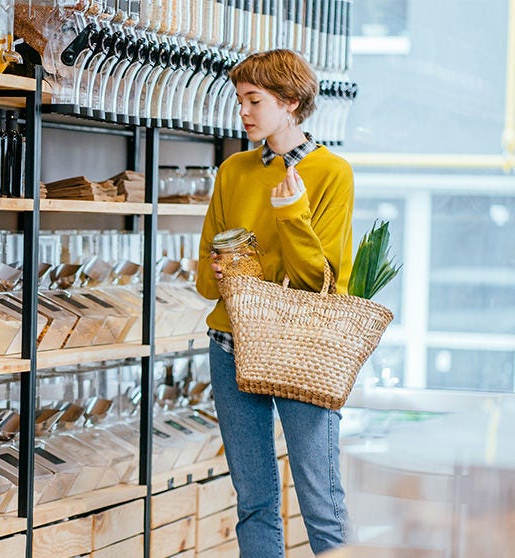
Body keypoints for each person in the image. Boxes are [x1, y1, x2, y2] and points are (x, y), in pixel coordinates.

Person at [195, 49, 355, 557]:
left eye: (253, 100)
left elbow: (320, 283)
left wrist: (290, 213)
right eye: (239, 99)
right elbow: (204, 274)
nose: (242, 111)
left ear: (290, 102)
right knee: (254, 501)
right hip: (229, 345)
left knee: (322, 503)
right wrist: (225, 273)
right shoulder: (233, 170)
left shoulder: (332, 173)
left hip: (302, 350)